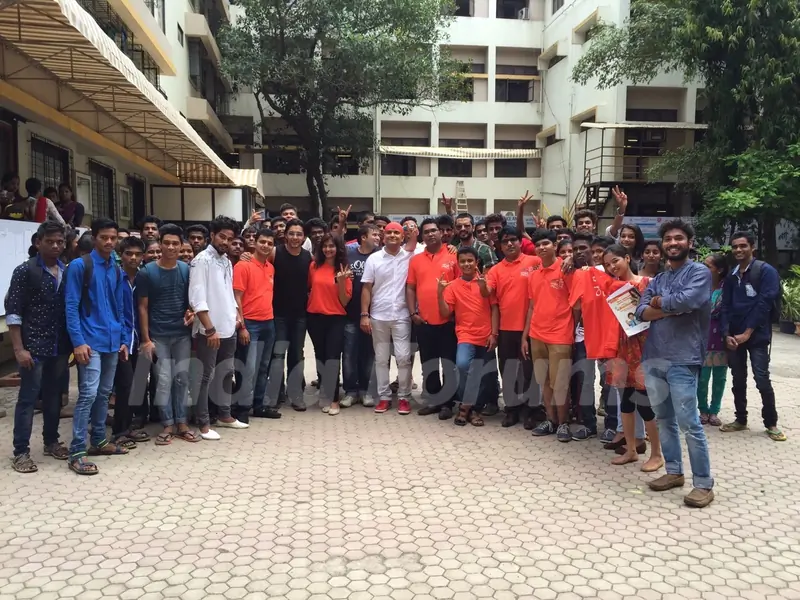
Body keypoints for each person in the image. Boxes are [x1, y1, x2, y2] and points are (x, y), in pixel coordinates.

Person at [635, 219, 714, 508]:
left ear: (689, 243)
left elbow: (689, 301)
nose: (672, 243)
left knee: (689, 423)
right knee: (664, 419)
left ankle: (703, 483)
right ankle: (673, 471)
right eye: (668, 239)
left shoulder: (700, 273)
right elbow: (641, 312)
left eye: (678, 238)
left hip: (684, 357)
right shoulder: (659, 279)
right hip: (655, 356)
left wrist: (661, 304)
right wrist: (665, 306)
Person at [64, 218, 132, 475]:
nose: (109, 242)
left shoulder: (115, 268)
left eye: (113, 238)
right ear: (94, 237)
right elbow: (70, 306)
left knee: (104, 393)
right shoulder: (80, 266)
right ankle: (77, 451)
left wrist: (124, 339)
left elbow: (120, 307)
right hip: (90, 342)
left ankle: (100, 440)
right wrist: (78, 342)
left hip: (112, 341)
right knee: (88, 394)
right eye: (104, 237)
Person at [5, 221, 71, 472]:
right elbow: (13, 313)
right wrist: (19, 349)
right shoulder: (25, 271)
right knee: (28, 399)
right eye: (50, 241)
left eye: (60, 242)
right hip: (33, 347)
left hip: (59, 346)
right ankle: (20, 452)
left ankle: (51, 441)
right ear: (37, 242)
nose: (55, 246)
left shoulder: (67, 271)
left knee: (54, 397)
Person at [601, 244, 663, 471]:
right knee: (625, 403)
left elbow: (658, 314)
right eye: (607, 264)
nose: (612, 266)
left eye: (615, 260)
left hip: (643, 349)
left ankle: (657, 453)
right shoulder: (611, 286)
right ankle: (630, 450)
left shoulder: (646, 283)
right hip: (621, 348)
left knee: (645, 404)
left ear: (627, 257)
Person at [719, 231, 785, 441]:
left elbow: (764, 304)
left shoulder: (765, 271)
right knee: (738, 379)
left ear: (752, 247)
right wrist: (726, 334)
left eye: (742, 246)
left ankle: (771, 423)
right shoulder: (731, 275)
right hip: (734, 338)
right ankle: (740, 420)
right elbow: (725, 306)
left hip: (757, 336)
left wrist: (748, 332)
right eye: (735, 247)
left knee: (762, 379)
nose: (738, 250)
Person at [137, 224, 198, 445]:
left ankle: (182, 423)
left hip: (182, 334)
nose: (171, 247)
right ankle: (167, 424)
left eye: (175, 243)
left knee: (181, 378)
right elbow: (142, 307)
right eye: (167, 243)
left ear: (181, 246)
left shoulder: (186, 269)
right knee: (163, 380)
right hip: (158, 335)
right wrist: (146, 339)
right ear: (160, 244)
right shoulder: (147, 272)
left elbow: (190, 301)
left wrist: (191, 313)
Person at [189, 215, 249, 440]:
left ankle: (225, 415)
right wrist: (209, 329)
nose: (225, 241)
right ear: (212, 236)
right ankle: (204, 424)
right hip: (210, 330)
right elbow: (197, 297)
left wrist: (237, 317)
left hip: (228, 327)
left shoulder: (226, 261)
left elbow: (228, 293)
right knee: (206, 376)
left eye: (230, 238)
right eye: (221, 237)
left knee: (226, 372)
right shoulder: (201, 260)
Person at [483, 226, 542, 428]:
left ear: (520, 242)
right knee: (508, 370)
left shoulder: (534, 262)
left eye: (513, 240)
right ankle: (511, 409)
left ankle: (531, 411)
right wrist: (481, 282)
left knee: (529, 371)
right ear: (500, 245)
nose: (510, 244)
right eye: (505, 241)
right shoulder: (495, 270)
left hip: (532, 327)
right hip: (506, 329)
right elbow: (487, 293)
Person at [522, 229, 574, 441]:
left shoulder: (566, 270)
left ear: (555, 245)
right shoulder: (533, 275)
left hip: (560, 335)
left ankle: (563, 423)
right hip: (537, 334)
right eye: (538, 245)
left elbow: (576, 303)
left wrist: (571, 326)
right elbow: (532, 307)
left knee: (560, 382)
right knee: (543, 380)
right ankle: (550, 419)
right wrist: (525, 336)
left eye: (546, 243)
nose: (542, 248)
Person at [407, 218, 460, 418]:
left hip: (448, 320)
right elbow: (410, 288)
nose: (430, 234)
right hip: (424, 321)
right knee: (429, 363)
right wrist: (413, 313)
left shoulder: (454, 256)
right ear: (422, 236)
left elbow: (461, 285)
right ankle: (434, 401)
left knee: (448, 363)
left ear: (441, 233)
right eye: (426, 231)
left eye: (434, 230)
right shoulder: (416, 260)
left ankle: (447, 403)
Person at [439, 247, 499, 426]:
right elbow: (445, 313)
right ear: (458, 263)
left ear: (477, 262)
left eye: (470, 260)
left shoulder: (485, 282)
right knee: (463, 365)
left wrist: (494, 334)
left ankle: (472, 409)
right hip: (465, 335)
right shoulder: (453, 286)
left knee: (483, 374)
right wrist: (438, 293)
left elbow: (495, 308)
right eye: (463, 261)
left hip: (486, 335)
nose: (466, 264)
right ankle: (468, 406)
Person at [361, 222, 414, 414]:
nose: (392, 235)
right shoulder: (374, 259)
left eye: (396, 233)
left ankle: (404, 398)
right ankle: (383, 397)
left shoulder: (410, 257)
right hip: (378, 315)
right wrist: (364, 315)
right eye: (389, 232)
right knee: (381, 359)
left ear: (402, 237)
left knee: (403, 358)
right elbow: (366, 288)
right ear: (383, 236)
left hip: (401, 316)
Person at [233, 228, 280, 421]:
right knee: (248, 368)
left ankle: (258, 405)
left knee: (263, 367)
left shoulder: (270, 267)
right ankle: (242, 409)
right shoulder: (242, 266)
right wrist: (242, 326)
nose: (266, 246)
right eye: (262, 242)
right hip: (249, 324)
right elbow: (237, 298)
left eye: (270, 243)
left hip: (268, 322)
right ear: (254, 242)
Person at [110, 236, 150, 449]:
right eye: (128, 254)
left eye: (137, 254)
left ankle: (132, 425)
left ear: (142, 257)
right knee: (124, 386)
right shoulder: (115, 276)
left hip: (142, 340)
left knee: (139, 384)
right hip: (122, 342)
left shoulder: (145, 277)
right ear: (121, 255)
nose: (133, 258)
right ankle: (119, 431)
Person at [307, 233, 352, 415]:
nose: (328, 249)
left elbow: (345, 301)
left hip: (336, 318)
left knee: (333, 358)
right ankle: (325, 394)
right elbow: (310, 288)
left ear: (338, 248)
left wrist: (341, 281)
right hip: (315, 317)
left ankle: (334, 400)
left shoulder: (344, 269)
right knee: (321, 357)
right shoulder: (314, 266)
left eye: (332, 246)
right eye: (325, 246)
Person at [271, 218, 312, 411]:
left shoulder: (308, 258)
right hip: (278, 314)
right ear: (285, 235)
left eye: (299, 234)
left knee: (297, 355)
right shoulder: (275, 253)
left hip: (300, 315)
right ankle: (276, 395)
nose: (295, 237)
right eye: (291, 233)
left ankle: (295, 394)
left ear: (304, 237)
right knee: (278, 355)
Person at [342, 224, 380, 407]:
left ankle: (366, 391)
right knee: (349, 354)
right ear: (364, 237)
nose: (378, 238)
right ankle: (350, 391)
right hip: (350, 314)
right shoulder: (349, 255)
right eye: (375, 234)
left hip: (374, 314)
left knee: (369, 355)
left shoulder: (380, 255)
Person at [698, 253, 728, 427]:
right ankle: (702, 410)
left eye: (708, 266)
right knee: (701, 378)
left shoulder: (728, 288)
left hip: (721, 337)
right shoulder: (700, 286)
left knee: (719, 377)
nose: (703, 268)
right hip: (701, 336)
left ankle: (714, 411)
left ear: (719, 269)